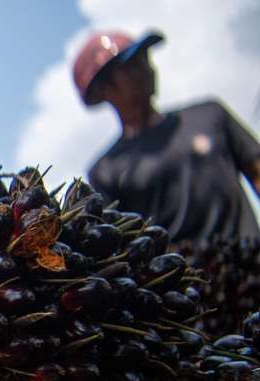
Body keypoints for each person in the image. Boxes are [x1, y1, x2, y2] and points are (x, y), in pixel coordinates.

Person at [73, 30, 260, 243]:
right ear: (103, 88)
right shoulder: (105, 171)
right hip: (183, 274)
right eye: (132, 66)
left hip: (252, 265)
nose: (147, 69)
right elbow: (118, 244)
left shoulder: (209, 115)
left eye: (145, 59)